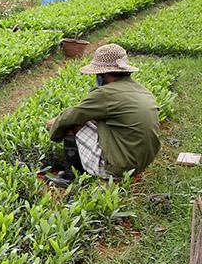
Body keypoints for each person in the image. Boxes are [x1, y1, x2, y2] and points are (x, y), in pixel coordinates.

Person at [46, 44, 160, 183]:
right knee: (90, 121)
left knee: (72, 125)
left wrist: (53, 126)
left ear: (103, 74)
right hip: (141, 164)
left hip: (119, 168)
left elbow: (71, 116)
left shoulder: (106, 93)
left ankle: (72, 178)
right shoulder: (143, 90)